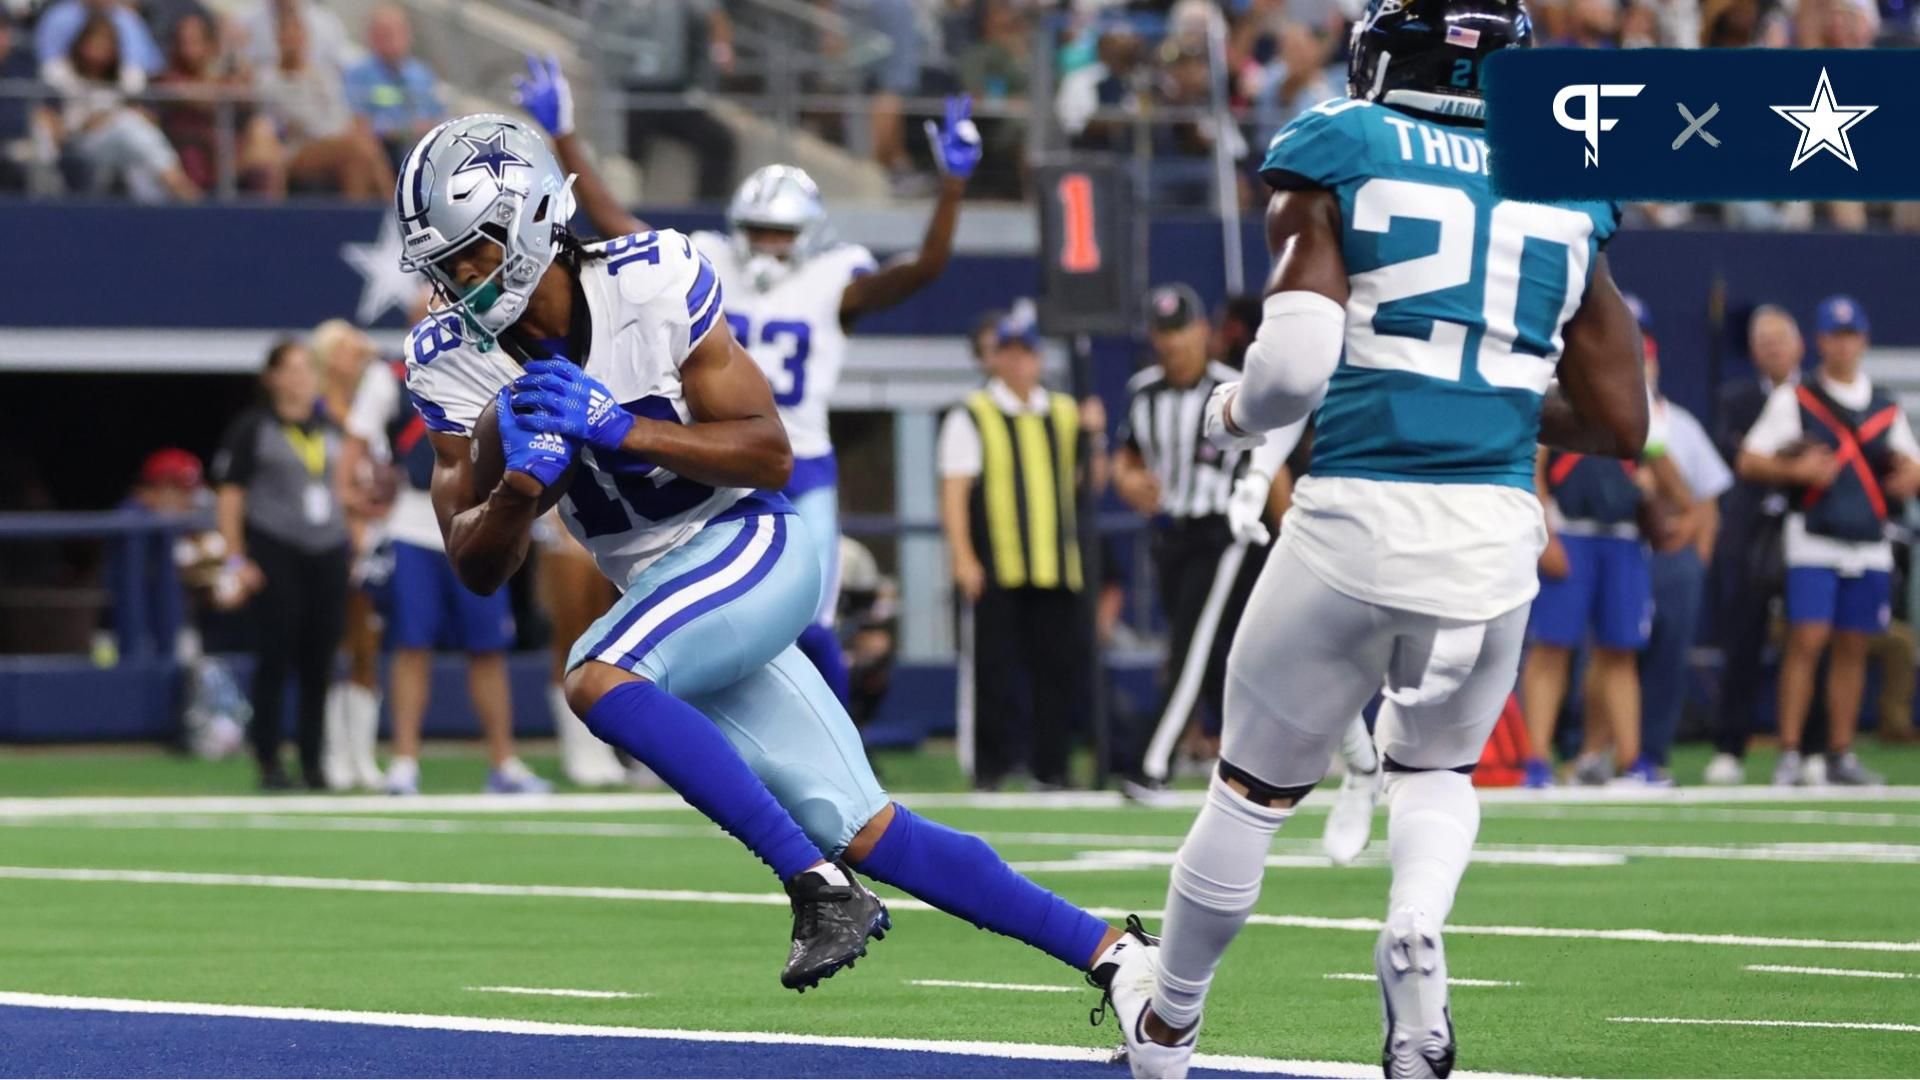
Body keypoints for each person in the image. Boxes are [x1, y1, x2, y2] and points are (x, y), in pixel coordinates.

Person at [393, 114, 1155, 997]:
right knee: (869, 827)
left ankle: (816, 889)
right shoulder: (450, 359)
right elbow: (474, 562)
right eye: (443, 265)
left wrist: (621, 427)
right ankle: (1118, 960)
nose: (457, 283)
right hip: (662, 590)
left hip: (750, 539)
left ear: (531, 222)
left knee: (598, 675)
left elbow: (769, 451)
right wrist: (519, 489)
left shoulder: (649, 280)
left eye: (472, 256)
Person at [1100, 0, 1647, 1073]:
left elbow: (1293, 369)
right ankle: (1414, 927)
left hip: (1352, 521)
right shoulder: (1566, 181)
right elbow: (1624, 422)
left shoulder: (1344, 142)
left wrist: (1224, 418)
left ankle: (1169, 1024)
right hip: (1491, 540)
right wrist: (1482, 401)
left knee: (1251, 793)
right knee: (1438, 767)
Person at [518, 59, 983, 707]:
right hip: (716, 460)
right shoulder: (700, 261)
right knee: (700, 612)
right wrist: (566, 136)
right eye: (758, 230)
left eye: (782, 233)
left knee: (809, 620)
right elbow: (614, 225)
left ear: (808, 234)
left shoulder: (835, 280)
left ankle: (839, 741)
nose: (766, 246)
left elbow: (924, 269)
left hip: (806, 465)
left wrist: (953, 186)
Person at [1737, 296, 1919, 787]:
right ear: (1820, 342)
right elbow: (1751, 459)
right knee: (1807, 639)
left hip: (1868, 538)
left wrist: (1908, 479)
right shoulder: (1797, 399)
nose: (1843, 345)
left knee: (1854, 644)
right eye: (1834, 336)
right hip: (1814, 534)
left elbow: (1911, 465)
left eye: (1851, 335)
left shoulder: (1884, 406)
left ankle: (1840, 752)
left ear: (1863, 340)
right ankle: (1792, 751)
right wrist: (1794, 469)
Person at [938, 311, 1102, 790]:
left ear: (1037, 358)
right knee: (994, 670)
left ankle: (1050, 766)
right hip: (997, 562)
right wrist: (963, 556)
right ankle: (991, 767)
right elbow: (954, 490)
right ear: (995, 359)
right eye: (1008, 352)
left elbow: (1088, 483)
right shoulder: (973, 412)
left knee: (1056, 669)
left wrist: (1096, 437)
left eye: (1025, 352)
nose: (1017, 362)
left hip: (1055, 562)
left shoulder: (1066, 413)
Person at [1519, 393, 1690, 787]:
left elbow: (1666, 470)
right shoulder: (1559, 391)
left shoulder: (1637, 404)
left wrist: (1674, 507)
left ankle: (1629, 760)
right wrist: (1545, 531)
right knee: (1551, 647)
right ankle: (1535, 760)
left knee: (1621, 651)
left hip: (1623, 538)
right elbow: (1535, 465)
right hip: (1571, 532)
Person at [211, 339, 351, 791]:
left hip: (327, 548)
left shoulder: (332, 426)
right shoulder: (253, 429)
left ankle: (314, 759)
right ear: (271, 378)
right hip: (275, 548)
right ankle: (269, 757)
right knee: (276, 655)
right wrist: (236, 557)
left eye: (306, 368)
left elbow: (348, 484)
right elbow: (230, 497)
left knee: (320, 659)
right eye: (289, 369)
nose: (299, 378)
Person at [1704, 305, 1802, 784]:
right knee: (1742, 640)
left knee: (1810, 640)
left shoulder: (1817, 396)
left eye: (1779, 340)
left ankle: (1812, 749)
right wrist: (1792, 467)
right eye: (1762, 342)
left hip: (1808, 530)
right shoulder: (1737, 397)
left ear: (1799, 344)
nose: (1772, 349)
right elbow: (1735, 454)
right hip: (1750, 535)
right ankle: (1731, 746)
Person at [1635, 310, 1733, 785]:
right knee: (1610, 653)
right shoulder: (1592, 413)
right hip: (1619, 545)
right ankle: (1594, 747)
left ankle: (1651, 752)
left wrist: (1697, 556)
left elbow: (1709, 501)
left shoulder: (1682, 425)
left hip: (1673, 556)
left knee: (1668, 657)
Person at [42, 12, 200, 200]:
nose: (99, 49)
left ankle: (161, 212)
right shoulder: (60, 73)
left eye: (106, 43)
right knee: (128, 127)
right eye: (94, 41)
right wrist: (87, 125)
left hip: (121, 146)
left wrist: (113, 117)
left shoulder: (127, 76)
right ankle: (179, 184)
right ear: (81, 42)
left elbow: (150, 119)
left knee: (136, 152)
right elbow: (52, 122)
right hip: (79, 145)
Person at [254, 7, 392, 199]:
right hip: (296, 150)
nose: (293, 42)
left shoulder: (324, 75)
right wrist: (339, 136)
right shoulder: (269, 79)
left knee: (357, 162)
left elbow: (341, 112)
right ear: (278, 40)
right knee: (360, 146)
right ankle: (394, 208)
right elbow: (299, 121)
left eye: (297, 35)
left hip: (337, 145)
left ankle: (358, 222)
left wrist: (344, 133)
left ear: (305, 38)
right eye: (287, 36)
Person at [153, 9, 286, 196]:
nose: (188, 50)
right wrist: (221, 86)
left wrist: (236, 62)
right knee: (262, 147)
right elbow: (193, 95)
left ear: (210, 45)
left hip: (227, 159)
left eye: (195, 42)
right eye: (183, 42)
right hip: (195, 169)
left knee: (263, 133)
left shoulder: (221, 76)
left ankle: (278, 218)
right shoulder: (167, 78)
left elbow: (244, 95)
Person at [342, 5, 445, 168]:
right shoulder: (358, 74)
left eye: (397, 32)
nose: (392, 39)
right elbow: (356, 122)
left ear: (408, 35)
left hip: (423, 144)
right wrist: (398, 130)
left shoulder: (421, 73)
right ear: (372, 37)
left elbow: (438, 114)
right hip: (384, 148)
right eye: (384, 34)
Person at [33, 0, 162, 76]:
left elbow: (148, 66)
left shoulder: (128, 20)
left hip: (115, 92)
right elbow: (46, 62)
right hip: (68, 90)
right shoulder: (60, 16)